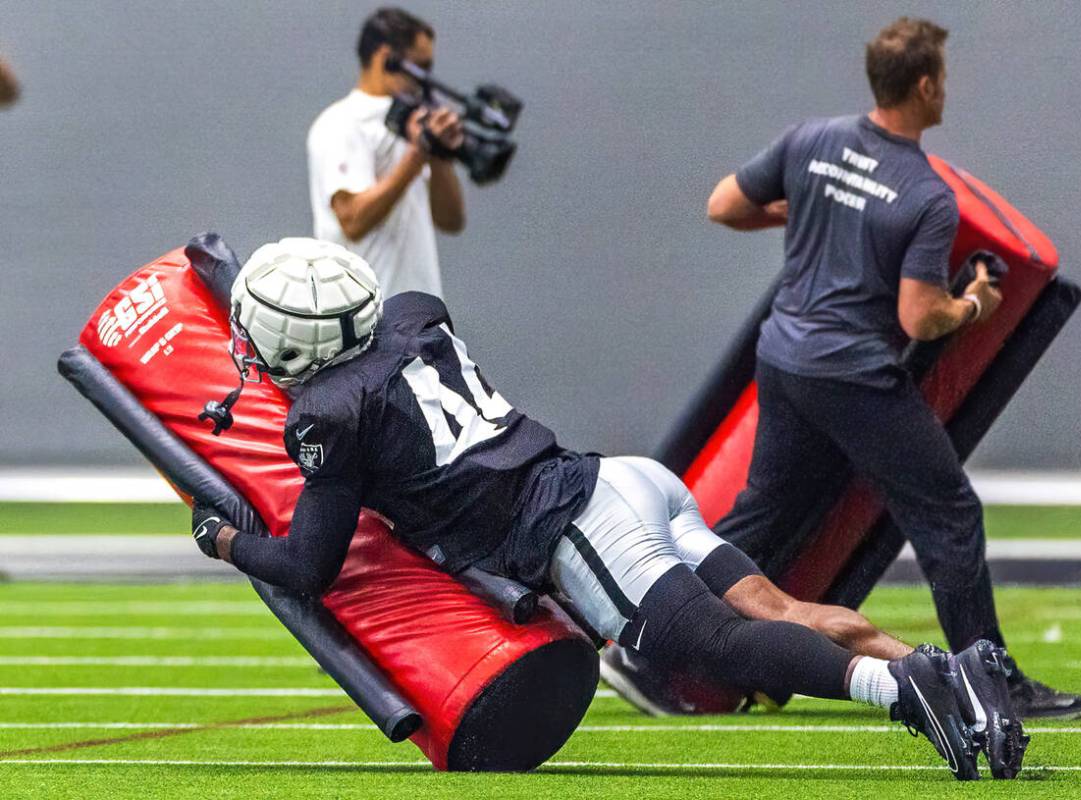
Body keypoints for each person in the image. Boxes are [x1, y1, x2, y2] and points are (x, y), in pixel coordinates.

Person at [190, 237, 1028, 780]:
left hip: (578, 531)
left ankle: (903, 686)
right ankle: (951, 672)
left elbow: (308, 565)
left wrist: (224, 539)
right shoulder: (414, 316)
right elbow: (340, 346)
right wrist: (231, 276)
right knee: (779, 610)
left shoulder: (326, 417)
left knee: (720, 648)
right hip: (626, 483)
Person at [622, 17, 1081, 720]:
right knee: (948, 513)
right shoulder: (925, 194)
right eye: (944, 81)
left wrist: (814, 217)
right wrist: (974, 306)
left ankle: (644, 644)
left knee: (761, 518)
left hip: (782, 362)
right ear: (926, 85)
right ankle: (989, 681)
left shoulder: (812, 140)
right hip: (854, 375)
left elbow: (724, 205)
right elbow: (917, 319)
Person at [306, 7, 465, 301]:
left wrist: (439, 155)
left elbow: (451, 220)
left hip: (422, 320)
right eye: (420, 66)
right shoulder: (341, 122)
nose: (426, 81)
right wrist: (416, 156)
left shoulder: (414, 123)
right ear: (385, 58)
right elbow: (352, 220)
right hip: (366, 324)